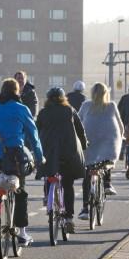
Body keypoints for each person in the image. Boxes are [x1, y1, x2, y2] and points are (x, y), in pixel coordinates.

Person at [0, 78, 44, 245]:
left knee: (1, 179)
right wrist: (39, 157)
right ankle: (22, 233)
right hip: (15, 156)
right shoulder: (22, 109)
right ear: (17, 92)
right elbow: (33, 135)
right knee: (20, 191)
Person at [36, 87, 87, 233]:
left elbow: (36, 131)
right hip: (68, 152)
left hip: (49, 152)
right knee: (67, 183)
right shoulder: (70, 110)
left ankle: (48, 198)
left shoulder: (43, 113)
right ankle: (69, 218)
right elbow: (80, 130)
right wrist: (83, 145)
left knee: (49, 173)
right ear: (63, 98)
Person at [78, 82, 123, 220]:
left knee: (87, 173)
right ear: (106, 93)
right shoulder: (111, 106)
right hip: (108, 141)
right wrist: (121, 137)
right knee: (107, 158)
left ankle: (85, 208)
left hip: (89, 142)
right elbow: (120, 125)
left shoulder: (86, 105)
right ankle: (107, 183)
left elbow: (78, 122)